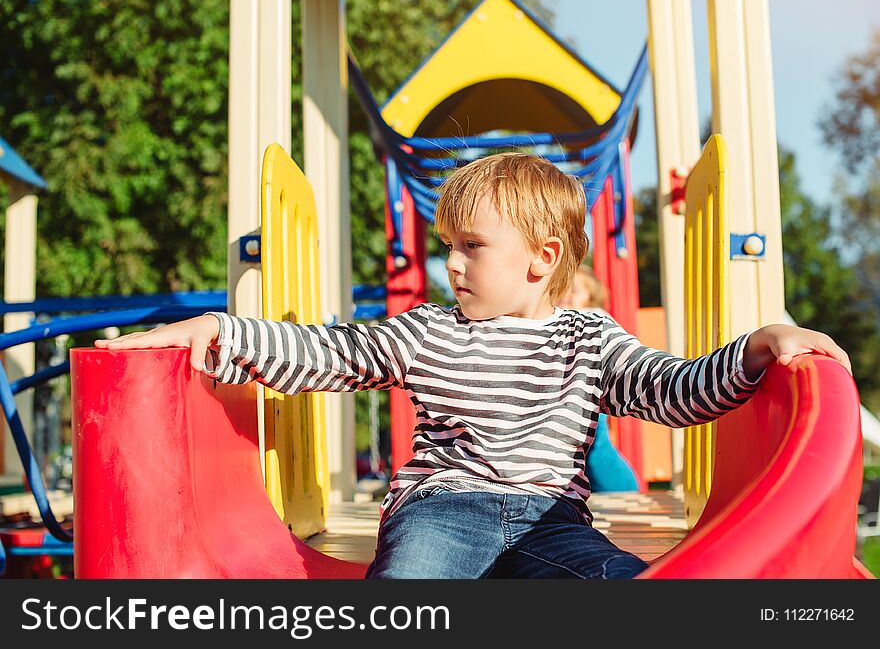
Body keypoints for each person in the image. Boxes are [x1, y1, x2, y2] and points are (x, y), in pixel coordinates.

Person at [95, 152, 852, 579]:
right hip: (442, 508)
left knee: (623, 584)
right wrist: (218, 329)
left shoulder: (588, 335)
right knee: (407, 592)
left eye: (471, 246)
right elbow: (329, 352)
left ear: (541, 259)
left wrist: (757, 346)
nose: (450, 263)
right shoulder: (429, 330)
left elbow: (670, 389)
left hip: (552, 517)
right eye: (447, 244)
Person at [560, 264, 638, 492]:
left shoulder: (593, 317)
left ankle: (623, 489)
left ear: (591, 296)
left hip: (588, 395)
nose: (566, 294)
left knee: (594, 446)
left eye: (574, 290)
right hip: (575, 394)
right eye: (562, 288)